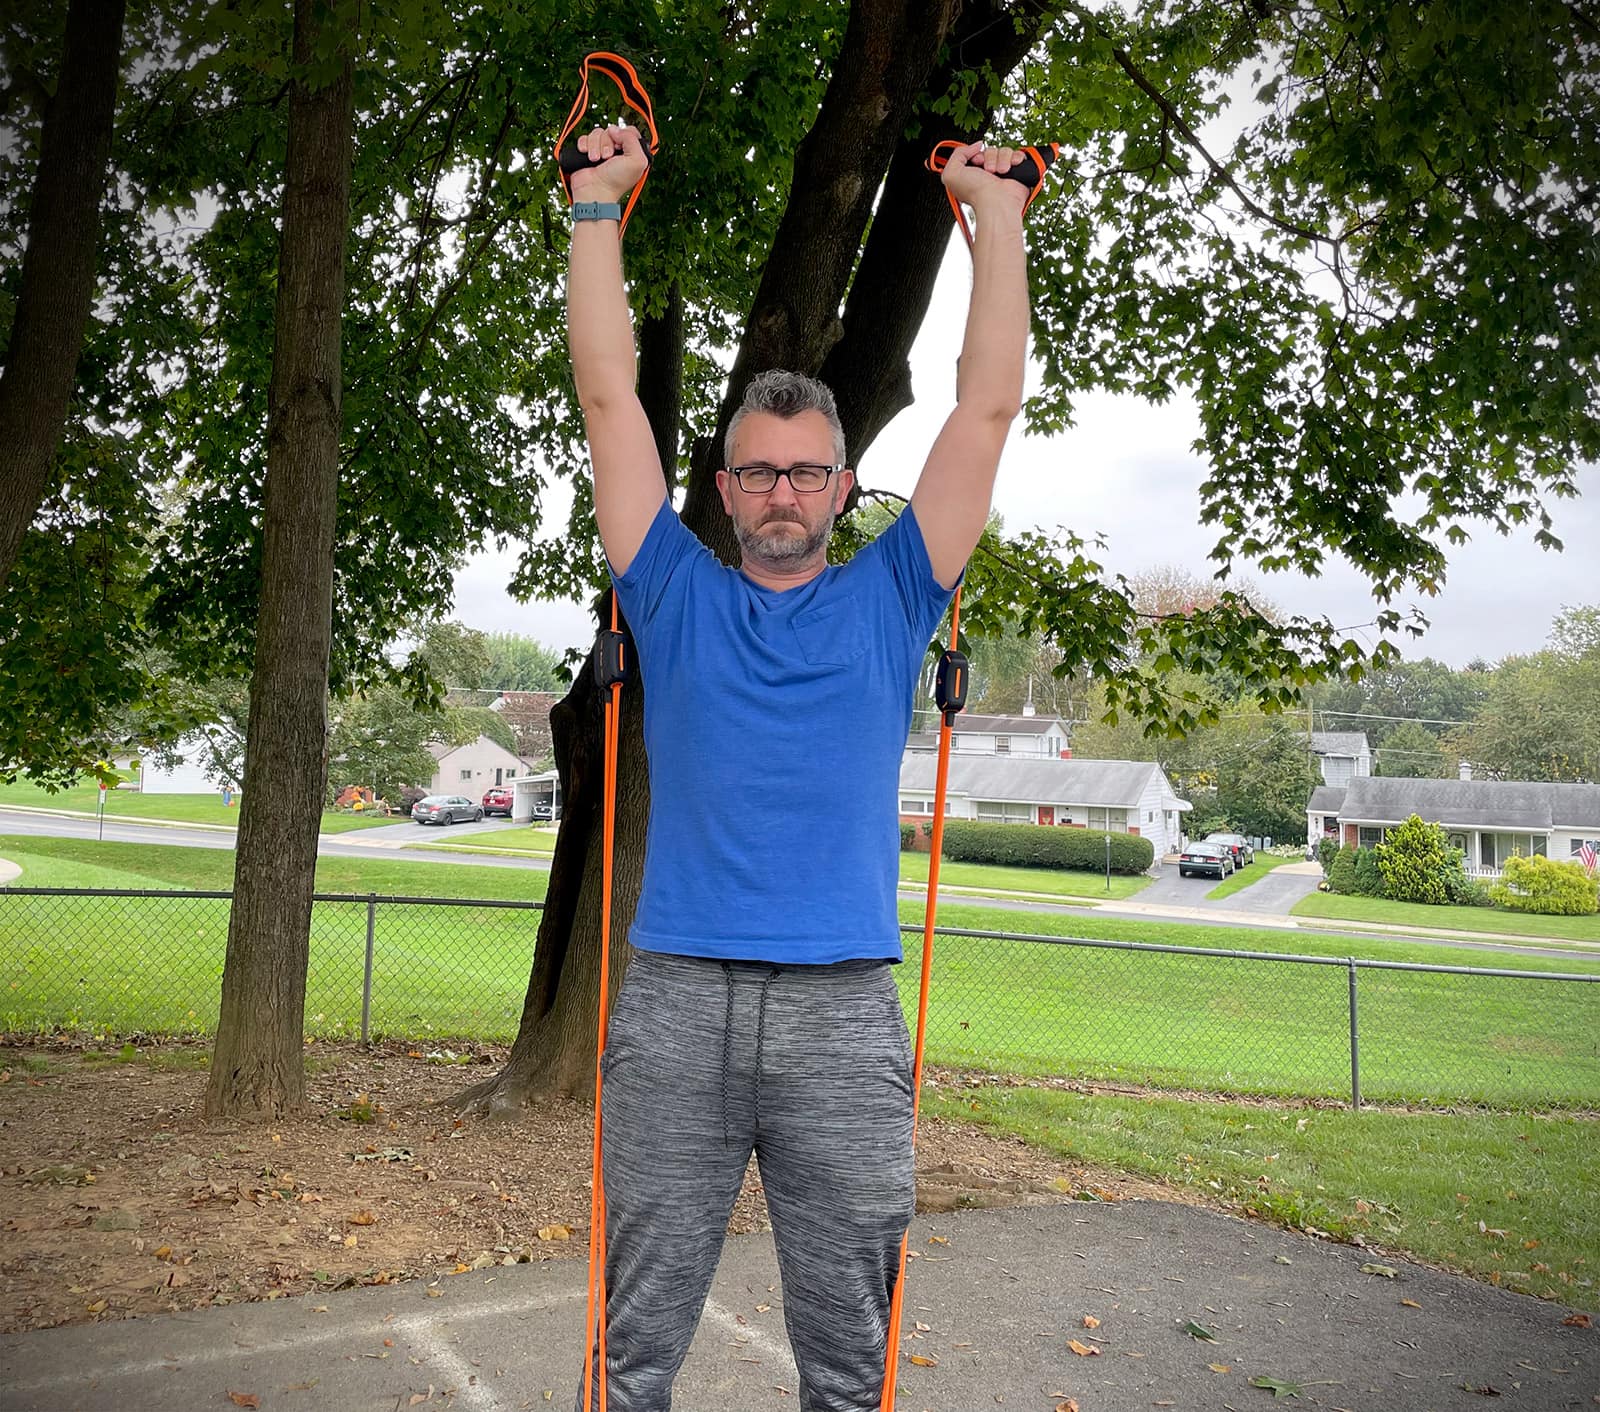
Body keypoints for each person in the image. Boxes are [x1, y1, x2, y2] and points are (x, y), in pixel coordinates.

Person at [566, 120, 1030, 1412]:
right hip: (676, 1008)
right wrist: (596, 212)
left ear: (841, 489)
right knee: (638, 1334)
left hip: (841, 1016)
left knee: (849, 1346)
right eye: (758, 472)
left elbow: (986, 405)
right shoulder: (669, 593)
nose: (781, 491)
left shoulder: (894, 596)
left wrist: (997, 223)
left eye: (806, 473)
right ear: (720, 487)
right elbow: (611, 398)